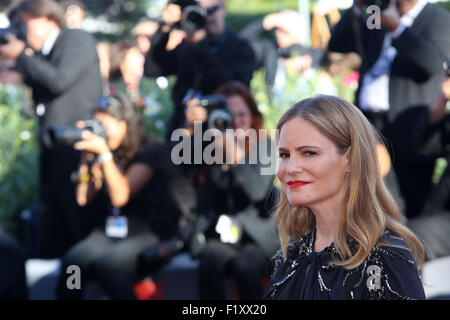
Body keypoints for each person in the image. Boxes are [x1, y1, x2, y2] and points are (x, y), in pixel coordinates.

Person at [264, 95, 425, 300]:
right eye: (284, 155)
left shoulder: (386, 259)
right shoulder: (289, 256)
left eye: (309, 153)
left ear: (350, 159)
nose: (291, 168)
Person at [328, 0, 450, 219]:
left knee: (409, 199)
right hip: (369, 120)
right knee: (368, 195)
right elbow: (339, 43)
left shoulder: (437, 18)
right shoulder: (379, 13)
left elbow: (432, 63)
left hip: (410, 125)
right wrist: (357, 9)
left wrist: (397, 29)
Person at [0, 0, 103, 258]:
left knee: (76, 224)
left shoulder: (76, 40)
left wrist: (21, 56)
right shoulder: (41, 53)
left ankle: (80, 286)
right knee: (52, 226)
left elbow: (59, 81)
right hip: (52, 148)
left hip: (76, 147)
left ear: (48, 19)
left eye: (25, 24)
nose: (22, 32)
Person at [56, 93, 181, 300]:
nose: (103, 131)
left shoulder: (150, 150)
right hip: (113, 232)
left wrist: (104, 155)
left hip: (148, 230)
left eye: (106, 125)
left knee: (110, 266)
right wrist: (85, 157)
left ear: (125, 123)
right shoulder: (106, 151)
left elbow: (119, 196)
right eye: (98, 125)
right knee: (73, 263)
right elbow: (82, 198)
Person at [182, 81, 279, 299]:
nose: (236, 121)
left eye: (242, 114)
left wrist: (229, 146)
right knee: (209, 262)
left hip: (258, 236)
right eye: (229, 114)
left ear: (253, 116)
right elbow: (181, 171)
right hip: (220, 235)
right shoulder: (209, 144)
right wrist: (192, 128)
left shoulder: (265, 146)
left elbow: (255, 191)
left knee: (245, 266)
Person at [144, 0, 255, 139]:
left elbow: (232, 88)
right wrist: (165, 27)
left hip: (221, 134)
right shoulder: (188, 46)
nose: (207, 17)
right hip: (183, 131)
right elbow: (152, 69)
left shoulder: (240, 48)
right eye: (199, 10)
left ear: (223, 9)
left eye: (211, 10)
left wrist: (201, 45)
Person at [240, 10, 323, 91]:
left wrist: (304, 62)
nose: (279, 33)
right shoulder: (269, 49)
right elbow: (242, 44)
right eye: (277, 29)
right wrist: (267, 21)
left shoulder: (311, 54)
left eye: (283, 29)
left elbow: (327, 58)